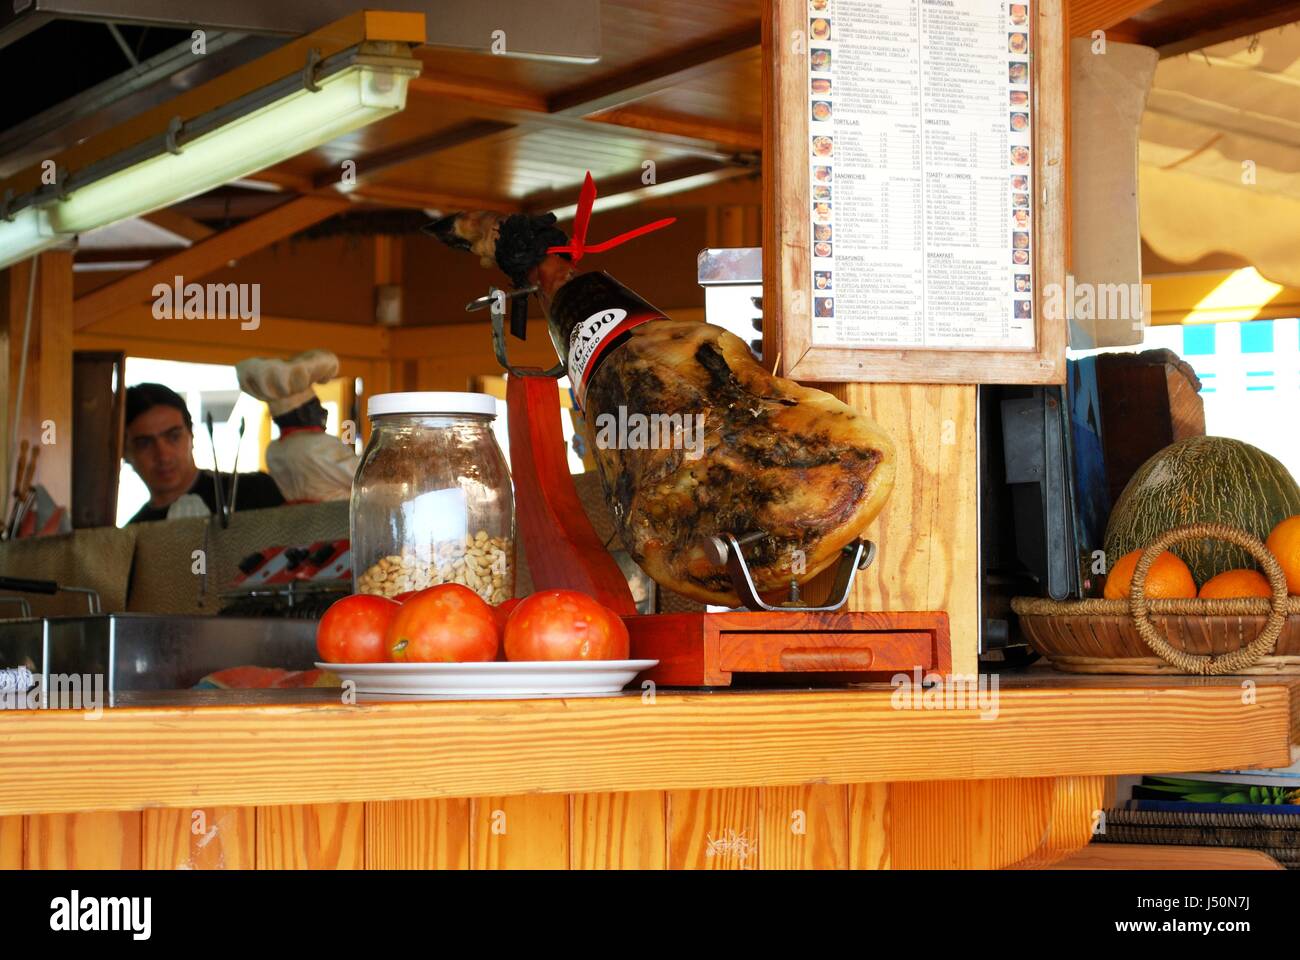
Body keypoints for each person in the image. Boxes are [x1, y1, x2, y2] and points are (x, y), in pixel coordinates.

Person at [123, 382, 284, 524]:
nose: (163, 456)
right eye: (144, 444)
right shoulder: (133, 535)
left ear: (191, 435)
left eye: (173, 436)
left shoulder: (256, 491)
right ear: (124, 452)